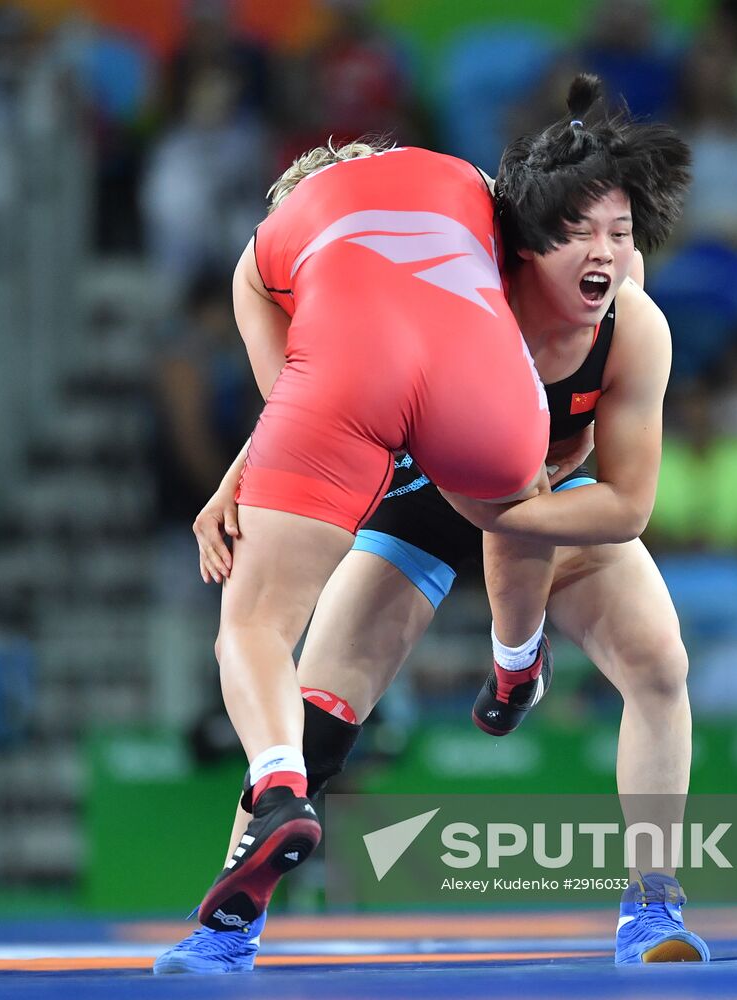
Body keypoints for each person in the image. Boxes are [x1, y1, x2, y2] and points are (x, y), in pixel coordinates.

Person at [156, 75, 707, 974]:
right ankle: (226, 926)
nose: (605, 258)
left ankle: (650, 901)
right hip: (421, 494)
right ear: (523, 241)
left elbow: (628, 501)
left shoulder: (629, 317)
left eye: (619, 234)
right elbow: (327, 374)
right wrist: (243, 473)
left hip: (542, 501)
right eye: (581, 235)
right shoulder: (470, 247)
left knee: (657, 661)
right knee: (315, 715)